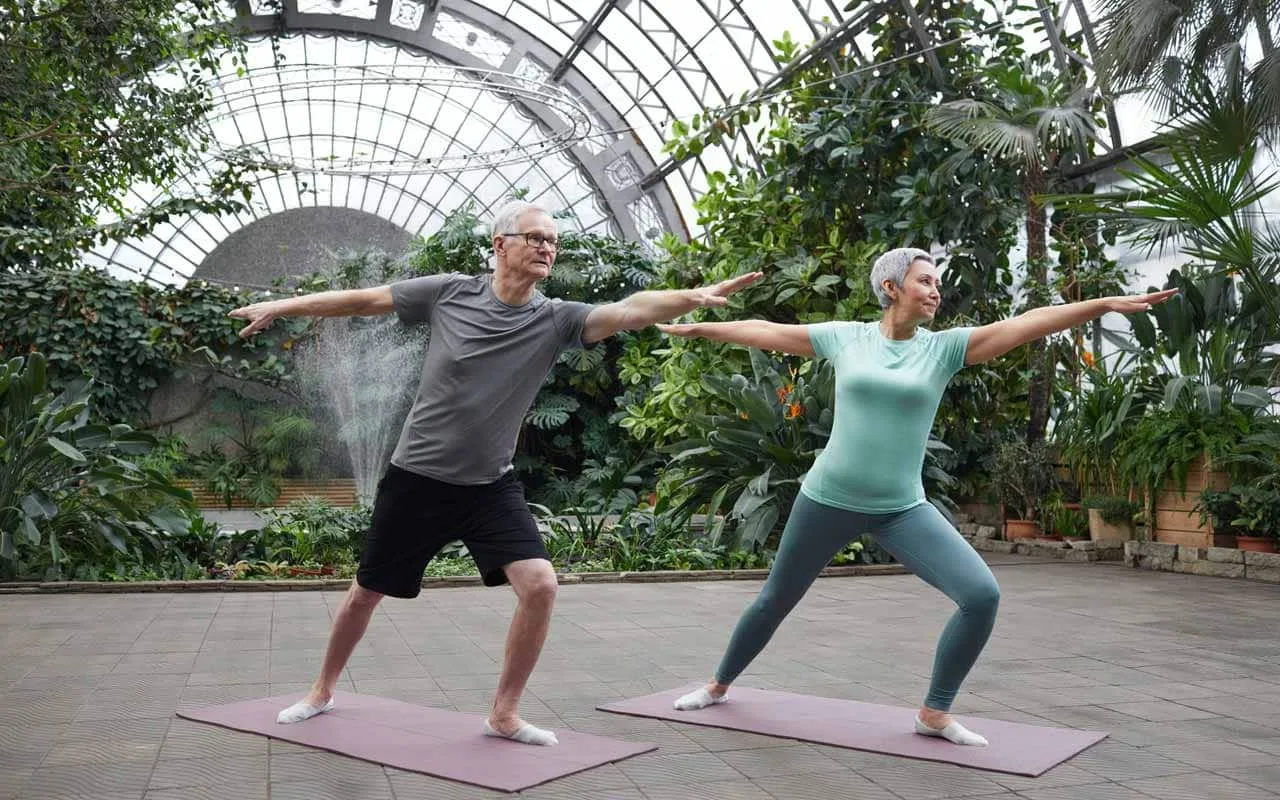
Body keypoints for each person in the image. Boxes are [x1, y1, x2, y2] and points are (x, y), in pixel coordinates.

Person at [229, 199, 761, 746]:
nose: (546, 248)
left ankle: (504, 713)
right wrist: (288, 305)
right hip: (417, 478)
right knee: (366, 591)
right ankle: (321, 691)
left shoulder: (556, 319)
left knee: (541, 585)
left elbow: (628, 309)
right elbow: (365, 301)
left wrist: (692, 298)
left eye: (552, 242)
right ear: (500, 244)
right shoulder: (450, 292)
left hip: (489, 485)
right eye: (534, 237)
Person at [658, 247, 1176, 746]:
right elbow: (767, 332)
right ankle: (718, 685)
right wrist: (700, 325)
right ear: (891, 287)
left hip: (901, 509)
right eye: (925, 281)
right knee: (775, 600)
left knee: (981, 596)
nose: (935, 291)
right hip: (826, 499)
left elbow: (1030, 322)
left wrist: (1102, 304)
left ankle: (935, 711)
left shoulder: (944, 348)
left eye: (937, 283)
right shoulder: (847, 338)